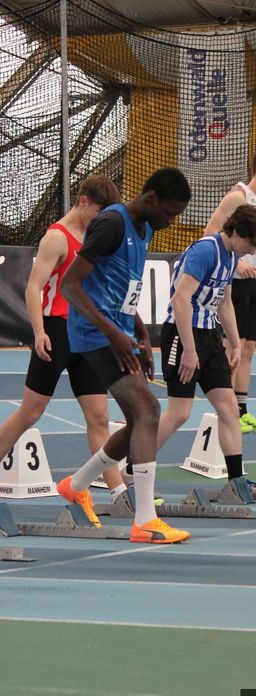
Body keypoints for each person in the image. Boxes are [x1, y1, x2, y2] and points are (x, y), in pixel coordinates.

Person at [58, 168, 192, 544]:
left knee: (137, 422)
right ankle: (145, 520)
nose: (171, 221)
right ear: (150, 198)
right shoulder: (110, 224)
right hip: (93, 335)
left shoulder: (145, 228)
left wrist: (140, 334)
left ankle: (76, 485)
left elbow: (124, 288)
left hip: (118, 334)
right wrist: (113, 334)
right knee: (149, 409)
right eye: (169, 212)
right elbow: (70, 285)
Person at [0, 175, 127, 502]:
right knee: (30, 414)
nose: (101, 221)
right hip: (56, 333)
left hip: (87, 336)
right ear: (83, 201)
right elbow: (33, 287)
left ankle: (119, 494)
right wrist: (39, 331)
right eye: (98, 213)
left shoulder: (96, 237)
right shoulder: (56, 238)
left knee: (99, 418)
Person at [155, 204, 256, 488]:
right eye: (251, 243)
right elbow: (180, 299)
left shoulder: (231, 257)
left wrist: (235, 344)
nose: (251, 251)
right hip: (182, 334)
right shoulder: (205, 251)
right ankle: (134, 467)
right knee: (179, 413)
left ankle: (236, 481)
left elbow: (224, 303)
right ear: (236, 231)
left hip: (210, 335)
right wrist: (189, 350)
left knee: (229, 407)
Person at [204, 143, 256, 434]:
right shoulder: (238, 197)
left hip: (255, 281)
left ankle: (242, 410)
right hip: (236, 282)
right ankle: (227, 409)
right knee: (234, 346)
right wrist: (236, 263)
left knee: (249, 347)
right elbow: (210, 232)